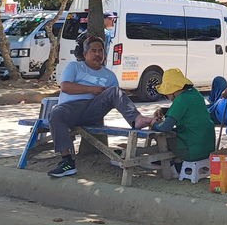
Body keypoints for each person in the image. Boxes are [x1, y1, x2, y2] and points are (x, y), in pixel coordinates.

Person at [47, 36, 153, 177]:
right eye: (93, 51)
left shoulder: (109, 75)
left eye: (100, 51)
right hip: (70, 108)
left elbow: (117, 98)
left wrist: (104, 95)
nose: (97, 54)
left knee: (115, 91)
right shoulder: (74, 66)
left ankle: (136, 119)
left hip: (93, 109)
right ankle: (67, 162)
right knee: (55, 114)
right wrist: (92, 89)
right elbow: (65, 87)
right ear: (85, 54)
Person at [152, 68, 216, 165]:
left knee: (161, 136)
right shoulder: (195, 93)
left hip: (192, 152)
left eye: (166, 94)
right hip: (208, 148)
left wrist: (154, 125)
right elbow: (186, 111)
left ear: (171, 90)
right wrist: (163, 111)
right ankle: (177, 161)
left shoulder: (181, 99)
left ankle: (170, 162)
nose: (168, 97)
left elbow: (165, 127)